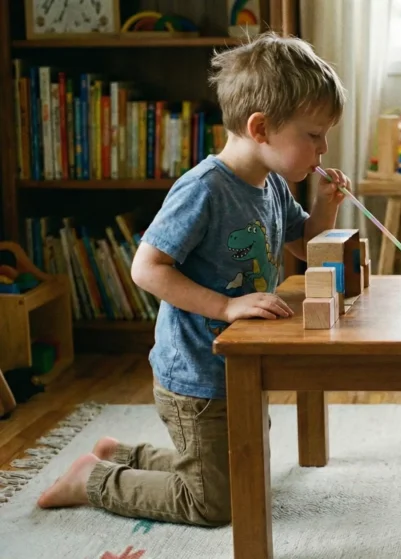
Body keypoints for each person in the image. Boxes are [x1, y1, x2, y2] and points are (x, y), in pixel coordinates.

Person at [36, 32, 350, 526]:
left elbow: (300, 248)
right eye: (313, 134)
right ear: (262, 128)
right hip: (197, 374)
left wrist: (325, 208)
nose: (323, 146)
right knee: (214, 504)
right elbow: (146, 268)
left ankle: (120, 453)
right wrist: (226, 308)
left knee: (242, 469)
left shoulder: (268, 184)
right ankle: (90, 481)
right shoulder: (203, 189)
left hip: (238, 363)